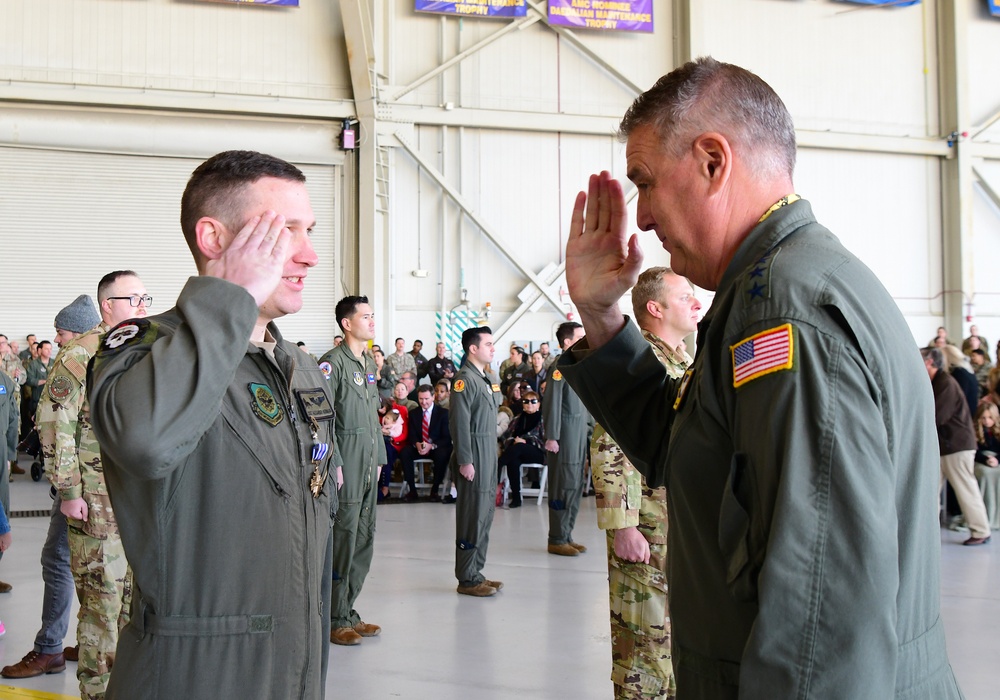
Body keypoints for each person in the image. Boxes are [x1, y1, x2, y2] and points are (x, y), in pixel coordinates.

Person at [557, 58, 963, 698]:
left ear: (713, 162)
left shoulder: (784, 315)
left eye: (647, 182)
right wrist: (603, 316)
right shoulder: (771, 288)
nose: (641, 218)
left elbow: (821, 618)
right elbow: (691, 452)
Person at [87, 150, 338, 700]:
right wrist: (231, 298)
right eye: (285, 230)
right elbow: (148, 441)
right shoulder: (142, 349)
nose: (310, 255)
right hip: (194, 676)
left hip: (295, 668)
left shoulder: (296, 366)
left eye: (309, 230)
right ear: (214, 238)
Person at [591, 267, 700, 700]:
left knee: (671, 641)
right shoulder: (640, 365)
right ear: (654, 308)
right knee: (644, 650)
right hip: (646, 529)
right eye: (685, 296)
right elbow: (608, 443)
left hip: (675, 527)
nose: (696, 303)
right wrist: (623, 526)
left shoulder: (681, 360)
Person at [40, 278, 147, 700]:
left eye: (145, 297)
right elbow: (55, 421)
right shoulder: (80, 353)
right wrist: (68, 491)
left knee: (131, 611)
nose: (142, 305)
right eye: (133, 298)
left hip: (136, 503)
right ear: (107, 305)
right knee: (101, 612)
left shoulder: (136, 350)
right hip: (96, 503)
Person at [3, 296, 104, 683]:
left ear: (76, 329)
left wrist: (67, 490)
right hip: (109, 485)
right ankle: (90, 640)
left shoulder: (76, 354)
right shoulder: (115, 349)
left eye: (61, 332)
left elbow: (56, 426)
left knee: (59, 560)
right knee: (97, 565)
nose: (58, 340)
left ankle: (49, 650)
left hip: (81, 483)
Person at [319, 295, 385, 647]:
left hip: (369, 460)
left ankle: (348, 609)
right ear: (347, 323)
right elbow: (322, 419)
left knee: (364, 537)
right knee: (344, 537)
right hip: (347, 461)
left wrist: (379, 460)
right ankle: (333, 616)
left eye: (373, 316)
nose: (372, 322)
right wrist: (336, 463)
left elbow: (373, 416)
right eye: (366, 316)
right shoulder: (332, 364)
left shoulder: (368, 364)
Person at [450, 326, 503, 596]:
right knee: (472, 515)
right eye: (489, 344)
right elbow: (460, 423)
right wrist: (465, 460)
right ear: (473, 348)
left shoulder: (486, 377)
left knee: (485, 513)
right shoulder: (464, 379)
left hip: (488, 451)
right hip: (473, 453)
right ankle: (467, 578)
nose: (493, 348)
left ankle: (476, 571)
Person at [921, 347, 991, 546]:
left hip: (957, 447)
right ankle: (928, 532)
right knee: (931, 491)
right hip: (946, 447)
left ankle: (981, 530)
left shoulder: (945, 384)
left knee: (965, 489)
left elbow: (937, 416)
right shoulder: (937, 383)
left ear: (929, 363)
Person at [544, 321, 591, 557]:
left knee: (574, 486)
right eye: (580, 337)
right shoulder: (559, 367)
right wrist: (551, 436)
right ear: (567, 342)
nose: (586, 340)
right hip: (563, 438)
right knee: (562, 487)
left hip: (577, 437)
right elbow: (551, 403)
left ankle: (567, 534)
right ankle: (557, 537)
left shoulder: (576, 366)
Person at [399, 385, 452, 502]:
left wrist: (431, 445)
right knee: (405, 452)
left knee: (442, 454)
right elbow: (412, 434)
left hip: (436, 447)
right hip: (419, 446)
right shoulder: (414, 413)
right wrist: (416, 444)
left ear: (433, 397)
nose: (424, 402)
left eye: (426, 399)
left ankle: (434, 490)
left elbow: (446, 437)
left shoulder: (443, 413)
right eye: (421, 399)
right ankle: (412, 490)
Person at [497, 389, 545, 508]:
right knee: (513, 461)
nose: (529, 404)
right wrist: (514, 441)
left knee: (518, 448)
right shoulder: (517, 419)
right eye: (526, 401)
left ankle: (498, 465)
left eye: (533, 401)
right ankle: (516, 498)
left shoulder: (543, 419)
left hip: (537, 452)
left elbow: (545, 441)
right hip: (517, 451)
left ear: (538, 404)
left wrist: (526, 441)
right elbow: (505, 437)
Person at [0, 367, 17, 594]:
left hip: (0, 450)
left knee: (2, 506)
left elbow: (14, 416)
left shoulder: (4, 380)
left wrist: (10, 455)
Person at [973, 402, 1000, 531]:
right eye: (983, 418)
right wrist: (986, 459)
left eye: (990, 417)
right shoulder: (975, 431)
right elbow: (974, 451)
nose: (987, 421)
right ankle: (984, 514)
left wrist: (997, 460)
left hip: (996, 461)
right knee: (985, 474)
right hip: (981, 461)